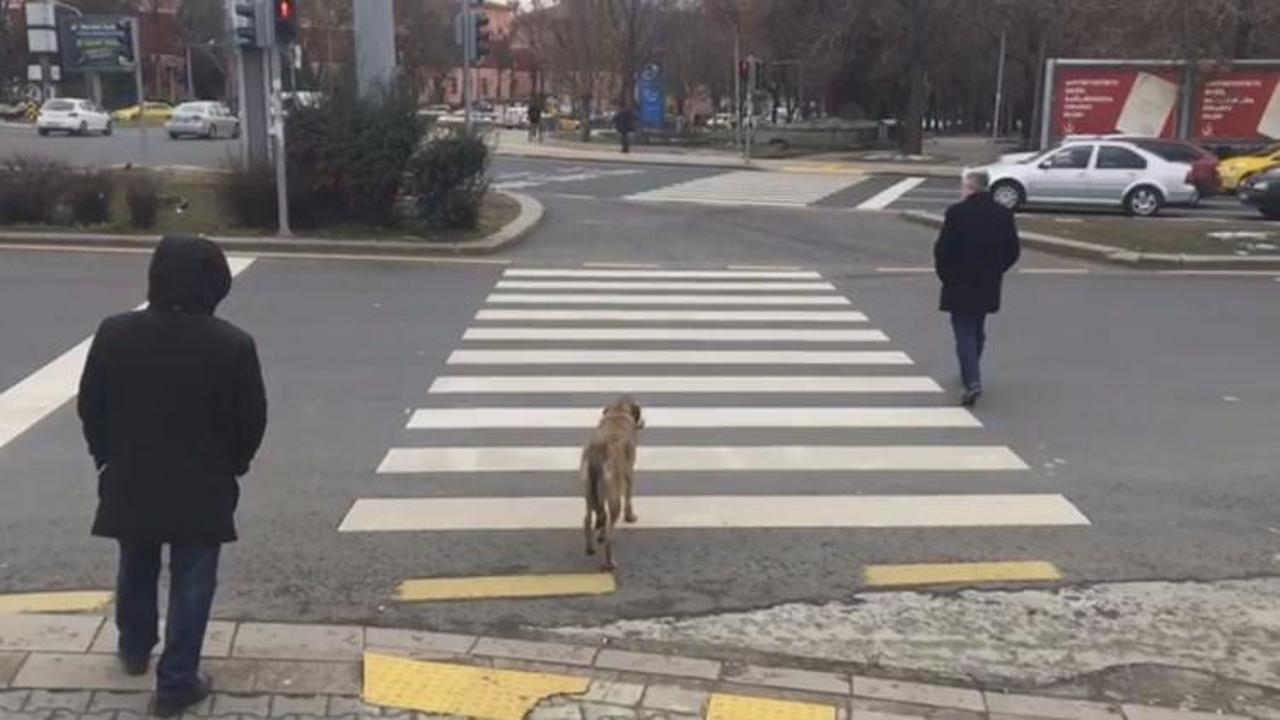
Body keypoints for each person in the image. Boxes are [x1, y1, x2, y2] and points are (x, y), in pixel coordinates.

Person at [78, 236, 267, 717]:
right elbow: (251, 420)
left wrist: (105, 457)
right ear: (215, 283)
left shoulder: (115, 332)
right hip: (204, 481)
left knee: (136, 563)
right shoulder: (233, 343)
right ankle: (177, 680)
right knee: (193, 578)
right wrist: (233, 465)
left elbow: (91, 406)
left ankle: (135, 648)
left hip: (130, 474)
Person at [933, 170, 1021, 407]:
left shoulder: (956, 213)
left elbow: (942, 250)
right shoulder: (1002, 214)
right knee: (977, 328)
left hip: (959, 280)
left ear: (970, 187)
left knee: (963, 332)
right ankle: (970, 369)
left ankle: (972, 380)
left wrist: (945, 276)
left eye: (963, 186)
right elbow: (1013, 250)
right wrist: (997, 269)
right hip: (987, 281)